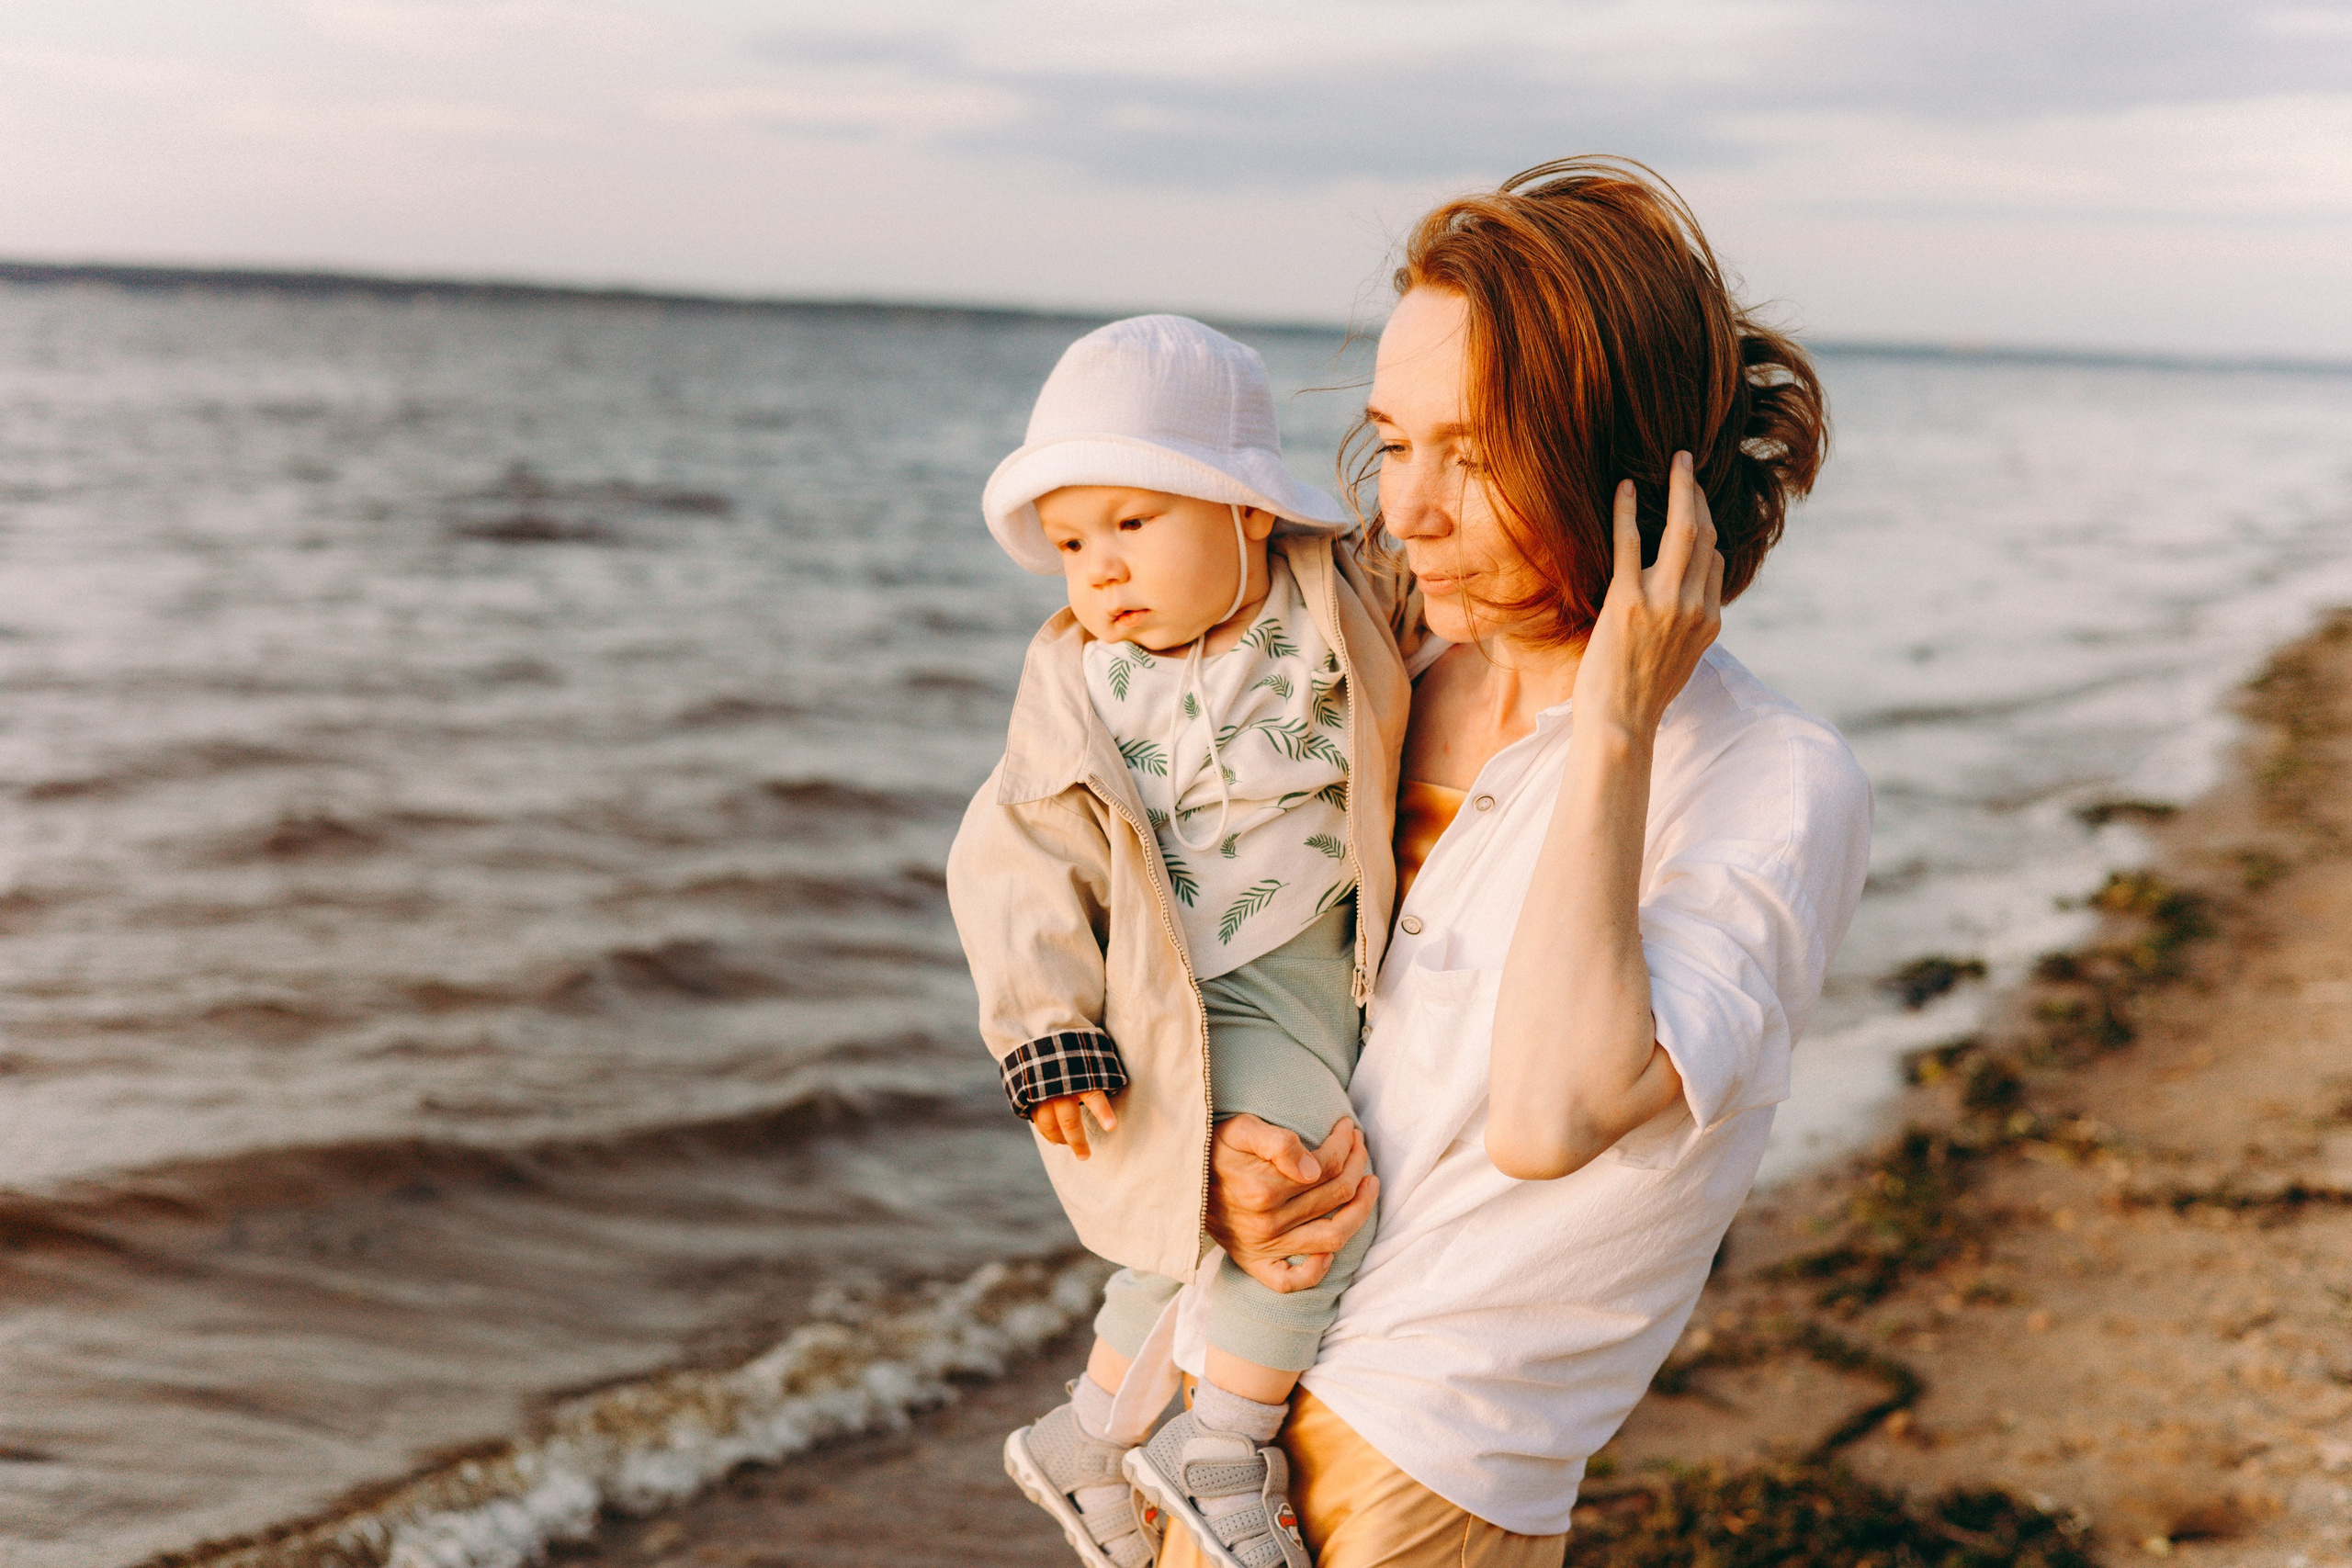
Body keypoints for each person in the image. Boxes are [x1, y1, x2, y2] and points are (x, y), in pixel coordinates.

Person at [1159, 157, 1875, 1566]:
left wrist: (1613, 722)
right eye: (1392, 441)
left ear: (1629, 469)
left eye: (1472, 457)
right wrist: (1213, 1163)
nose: (1409, 509)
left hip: (1426, 1459)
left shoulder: (1771, 781)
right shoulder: (1377, 675)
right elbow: (1224, 994)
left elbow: (1554, 1114)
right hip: (1212, 1390)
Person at [946, 314, 1428, 1568]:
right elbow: (1013, 862)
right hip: (1187, 995)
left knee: (1187, 1231)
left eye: (1133, 524)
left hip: (1320, 968)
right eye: (1068, 543)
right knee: (1312, 1189)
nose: (1097, 570)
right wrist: (1046, 1028)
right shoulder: (1082, 682)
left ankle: (1091, 1437)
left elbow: (1453, 585)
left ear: (1249, 511)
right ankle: (1222, 1447)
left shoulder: (1339, 596)